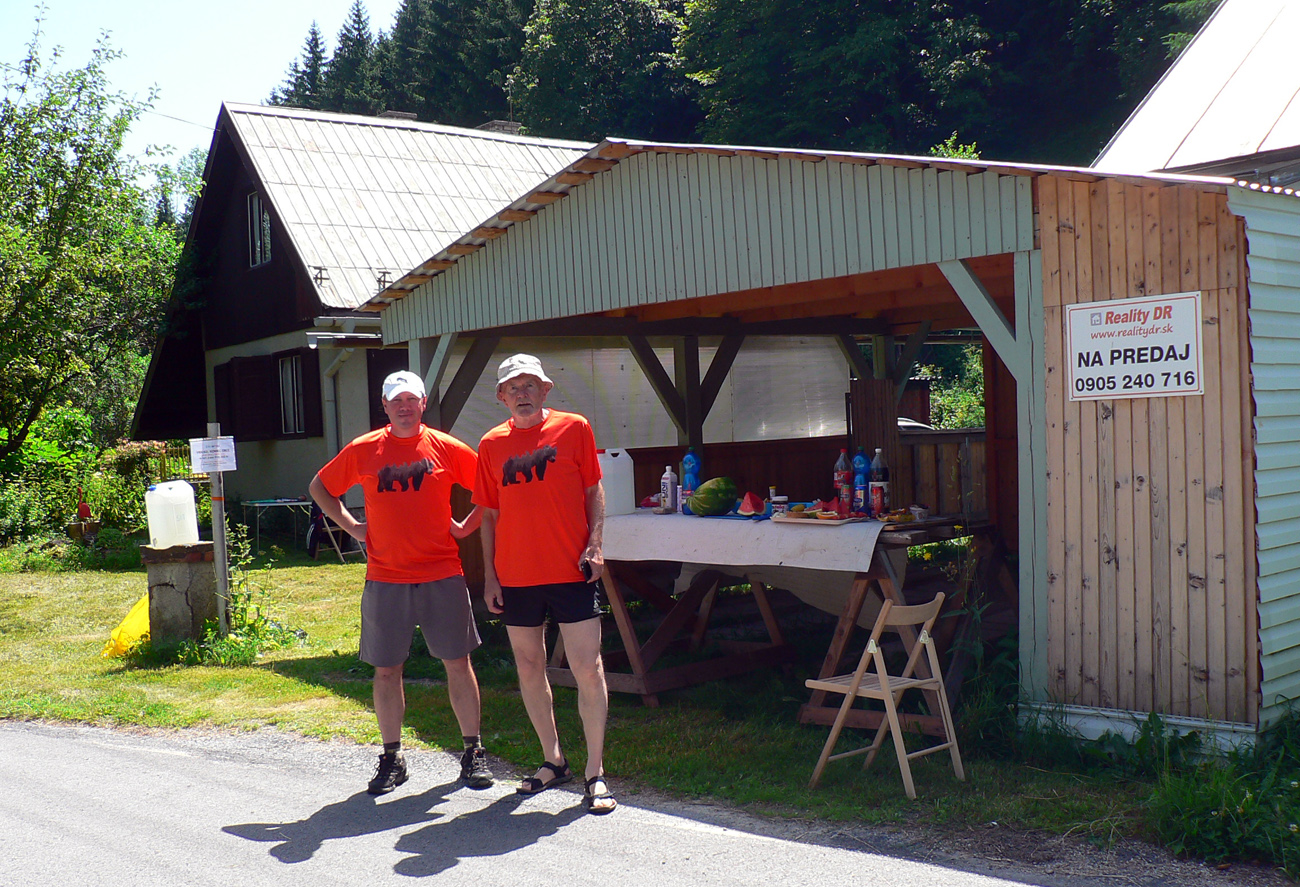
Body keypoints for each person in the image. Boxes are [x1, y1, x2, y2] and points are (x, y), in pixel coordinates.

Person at [309, 370, 493, 795]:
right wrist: (353, 527)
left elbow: (490, 485)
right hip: (386, 577)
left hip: (442, 573)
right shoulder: (364, 449)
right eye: (396, 400)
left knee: (458, 663)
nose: (404, 407)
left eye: (411, 400)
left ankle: (473, 751)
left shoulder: (445, 447)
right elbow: (320, 487)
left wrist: (466, 525)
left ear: (423, 403)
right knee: (387, 670)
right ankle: (392, 757)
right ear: (385, 406)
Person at [474, 354, 617, 814]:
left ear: (545, 389)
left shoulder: (574, 428)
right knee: (529, 666)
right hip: (516, 576)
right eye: (513, 387)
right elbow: (489, 515)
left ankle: (595, 772)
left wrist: (596, 545)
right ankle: (553, 761)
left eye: (529, 385)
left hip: (571, 570)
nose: (522, 394)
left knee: (587, 668)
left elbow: (594, 489)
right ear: (501, 396)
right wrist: (490, 575)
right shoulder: (490, 444)